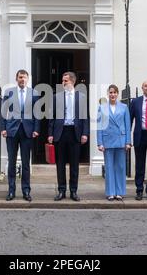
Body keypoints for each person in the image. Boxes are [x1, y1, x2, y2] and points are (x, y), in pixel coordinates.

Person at [48, 72, 89, 202]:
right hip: (60, 132)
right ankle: (61, 191)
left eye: (65, 80)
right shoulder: (56, 97)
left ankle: (73, 191)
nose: (63, 83)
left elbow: (85, 117)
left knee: (74, 165)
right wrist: (50, 134)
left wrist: (85, 133)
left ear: (73, 81)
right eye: (63, 80)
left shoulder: (81, 97)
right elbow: (51, 117)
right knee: (60, 164)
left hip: (75, 133)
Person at [1, 69, 41, 202]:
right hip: (12, 130)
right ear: (16, 79)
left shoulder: (34, 93)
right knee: (11, 162)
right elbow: (3, 112)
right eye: (20, 77)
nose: (22, 80)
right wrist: (3, 128)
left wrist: (36, 129)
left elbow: (37, 113)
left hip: (27, 131)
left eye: (24, 78)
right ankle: (11, 191)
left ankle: (26, 191)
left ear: (27, 79)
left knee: (25, 163)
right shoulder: (9, 92)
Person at [97, 85, 131, 201]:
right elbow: (99, 126)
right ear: (108, 94)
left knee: (120, 167)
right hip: (107, 140)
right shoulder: (102, 108)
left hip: (121, 140)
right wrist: (100, 142)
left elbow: (127, 126)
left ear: (117, 94)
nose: (113, 95)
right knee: (109, 167)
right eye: (111, 92)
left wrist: (128, 142)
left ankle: (120, 192)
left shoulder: (124, 107)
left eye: (115, 92)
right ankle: (110, 192)